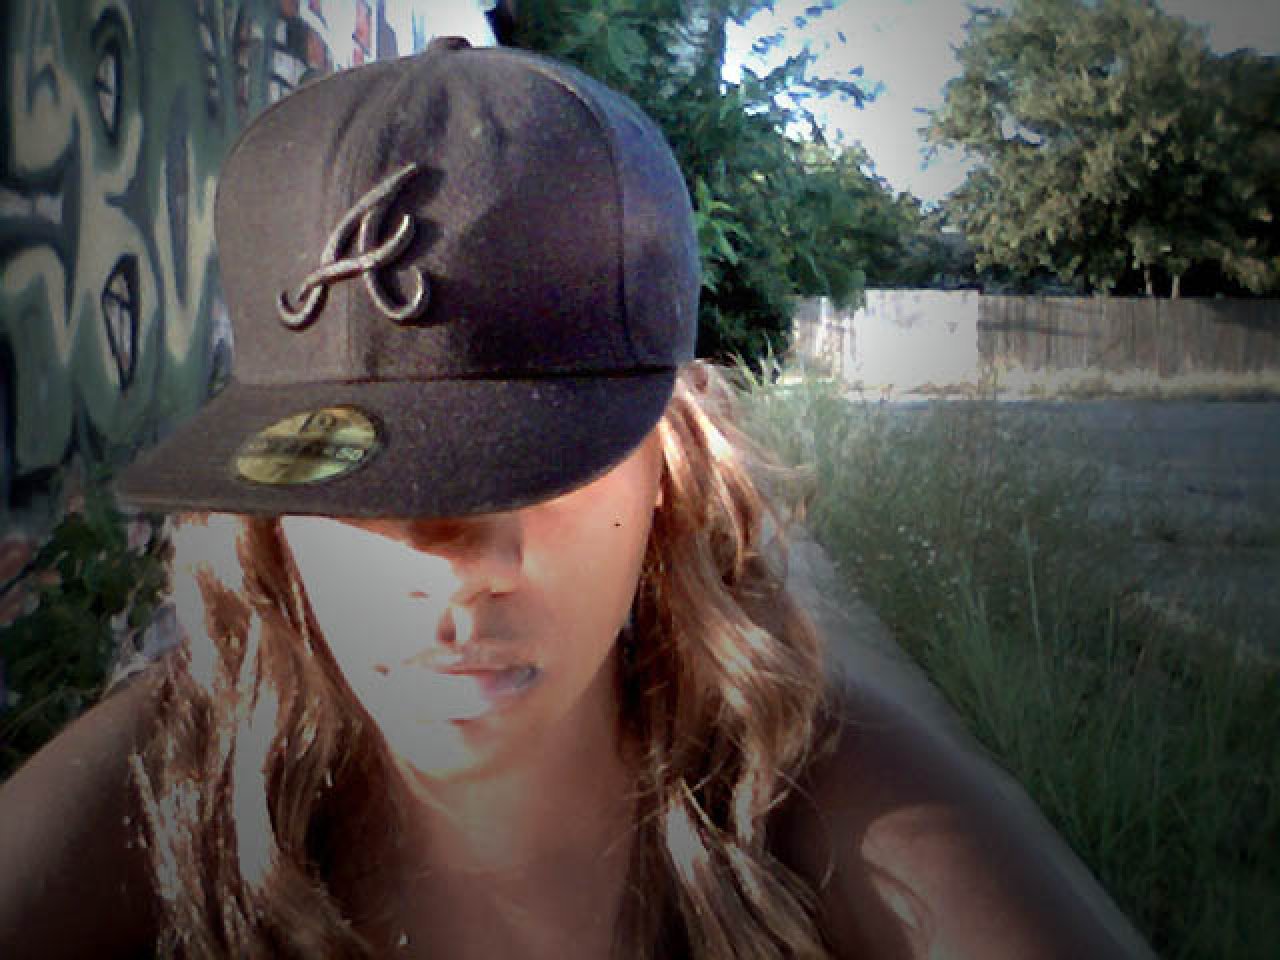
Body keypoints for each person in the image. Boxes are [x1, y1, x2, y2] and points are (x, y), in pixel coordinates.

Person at [0, 38, 1150, 959]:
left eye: (540, 462)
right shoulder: (179, 784)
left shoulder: (807, 791)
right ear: (269, 523)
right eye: (354, 478)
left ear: (669, 469)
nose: (458, 558)